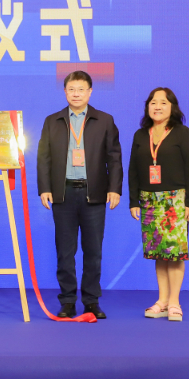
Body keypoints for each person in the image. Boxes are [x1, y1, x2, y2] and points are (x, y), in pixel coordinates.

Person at [37, 71, 123, 319]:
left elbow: (114, 158)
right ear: (65, 92)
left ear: (90, 92)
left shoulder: (104, 120)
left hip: (93, 193)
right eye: (71, 89)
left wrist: (114, 188)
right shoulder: (52, 121)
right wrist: (45, 188)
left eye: (81, 89)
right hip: (62, 193)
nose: (76, 94)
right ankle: (67, 301)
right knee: (65, 252)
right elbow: (43, 158)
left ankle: (91, 301)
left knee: (93, 251)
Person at [128, 87, 189, 322]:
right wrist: (133, 201)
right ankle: (163, 301)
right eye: (153, 102)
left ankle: (175, 302)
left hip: (175, 201)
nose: (157, 107)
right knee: (159, 253)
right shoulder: (140, 135)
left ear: (172, 107)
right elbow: (133, 170)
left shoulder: (183, 134)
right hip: (149, 201)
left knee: (175, 253)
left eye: (163, 103)